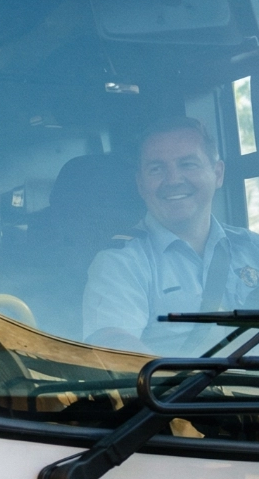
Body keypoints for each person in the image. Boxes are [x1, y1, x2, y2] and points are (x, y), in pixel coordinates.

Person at [83, 115, 259, 354]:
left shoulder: (253, 247)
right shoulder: (120, 263)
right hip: (179, 392)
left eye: (188, 164)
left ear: (218, 173)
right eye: (156, 169)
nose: (173, 180)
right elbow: (113, 346)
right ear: (141, 184)